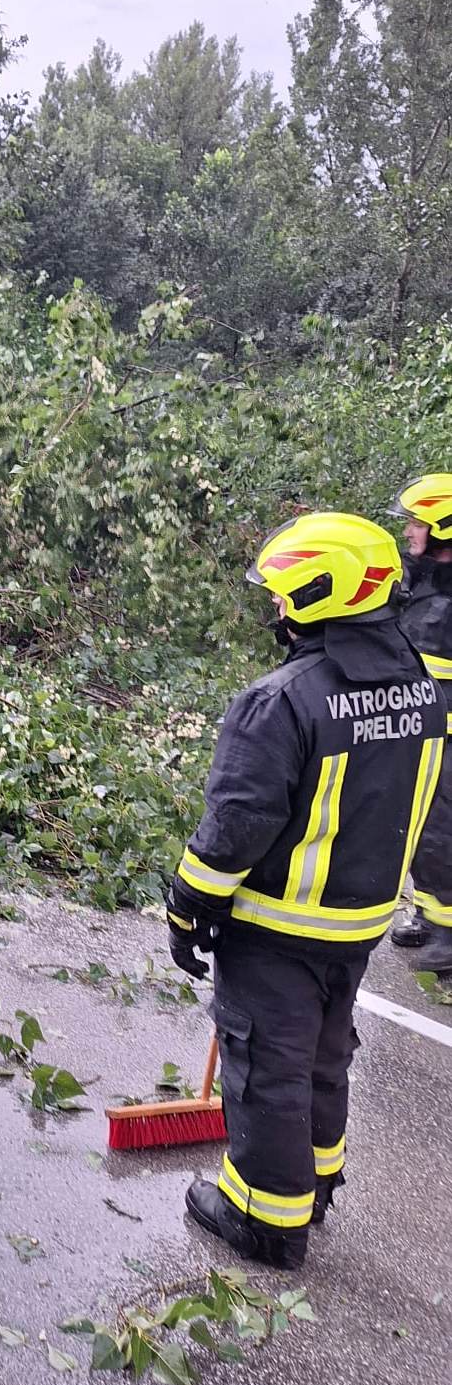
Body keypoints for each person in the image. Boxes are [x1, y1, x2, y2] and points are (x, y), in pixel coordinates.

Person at [166, 511, 443, 1269]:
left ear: (325, 594)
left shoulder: (282, 701)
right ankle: (316, 1184)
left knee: (267, 1064)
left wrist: (188, 907)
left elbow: (236, 828)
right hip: (357, 925)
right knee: (325, 1054)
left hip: (277, 927)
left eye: (287, 595)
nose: (277, 609)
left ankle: (264, 1218)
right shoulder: (421, 686)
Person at [388, 472, 452, 973]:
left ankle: (450, 932)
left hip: (447, 733)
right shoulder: (418, 575)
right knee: (418, 827)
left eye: (417, 523)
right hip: (418, 726)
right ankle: (431, 915)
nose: (409, 531)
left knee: (441, 829)